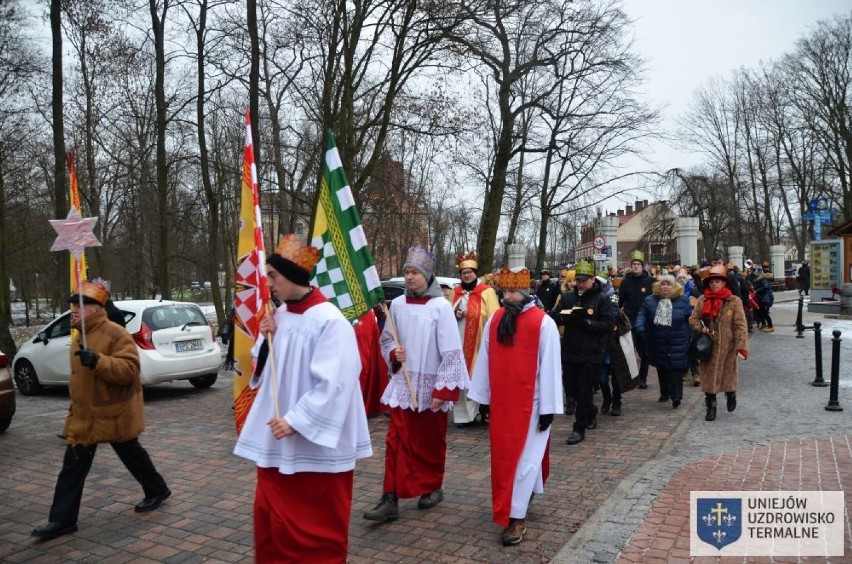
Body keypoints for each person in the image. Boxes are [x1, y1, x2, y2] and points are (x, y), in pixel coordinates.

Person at [233, 234, 371, 562]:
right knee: (273, 524)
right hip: (278, 440)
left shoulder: (330, 321)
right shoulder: (280, 315)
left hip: (312, 442)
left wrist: (296, 420)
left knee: (313, 528)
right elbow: (265, 368)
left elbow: (336, 383)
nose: (268, 284)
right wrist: (267, 339)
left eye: (273, 277)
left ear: (294, 278)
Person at [32, 280, 170, 541]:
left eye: (80, 305)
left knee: (132, 454)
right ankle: (62, 521)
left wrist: (98, 361)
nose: (73, 310)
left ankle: (157, 489)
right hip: (86, 415)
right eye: (72, 305)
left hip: (114, 412)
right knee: (72, 467)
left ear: (96, 308)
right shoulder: (80, 335)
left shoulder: (115, 333)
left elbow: (130, 370)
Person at [364, 246, 468, 522]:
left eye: (414, 273)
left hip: (431, 385)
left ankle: (431, 486)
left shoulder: (441, 307)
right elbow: (387, 339)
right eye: (407, 272)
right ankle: (390, 497)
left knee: (429, 442)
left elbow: (451, 352)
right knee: (395, 440)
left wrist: (443, 390)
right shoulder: (396, 305)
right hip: (404, 382)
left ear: (427, 275)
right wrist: (393, 354)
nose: (409, 278)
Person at [469, 266, 563, 546]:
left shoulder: (542, 323)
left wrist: (548, 407)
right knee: (506, 460)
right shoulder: (497, 319)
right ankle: (521, 499)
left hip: (532, 405)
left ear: (524, 293)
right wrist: (483, 400)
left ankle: (516, 518)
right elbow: (485, 360)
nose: (507, 296)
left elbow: (550, 367)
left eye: (513, 292)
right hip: (502, 405)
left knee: (524, 461)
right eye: (505, 291)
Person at [550, 260, 613, 445]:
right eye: (578, 280)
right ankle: (590, 410)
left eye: (584, 280)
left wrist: (588, 323)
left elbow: (608, 325)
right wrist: (564, 317)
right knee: (570, 388)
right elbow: (554, 316)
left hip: (591, 352)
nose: (581, 284)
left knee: (584, 389)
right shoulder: (568, 297)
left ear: (593, 279)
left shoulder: (601, 299)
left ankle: (579, 428)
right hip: (570, 350)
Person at [689, 265, 749, 421]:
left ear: (724, 283)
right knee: (709, 378)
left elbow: (740, 325)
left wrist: (741, 346)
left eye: (717, 281)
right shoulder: (703, 299)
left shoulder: (734, 301)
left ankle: (731, 394)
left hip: (728, 345)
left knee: (728, 374)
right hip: (708, 346)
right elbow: (693, 319)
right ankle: (711, 405)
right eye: (711, 282)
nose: (714, 284)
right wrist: (701, 328)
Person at [451, 251, 500, 427]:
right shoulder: (455, 292)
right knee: (462, 379)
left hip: (479, 344)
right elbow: (447, 315)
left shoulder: (487, 292)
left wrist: (471, 314)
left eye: (470, 272)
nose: (467, 275)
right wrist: (455, 314)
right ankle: (464, 417)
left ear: (475, 273)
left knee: (479, 377)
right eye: (464, 273)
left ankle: (484, 411)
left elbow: (494, 318)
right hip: (458, 342)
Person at [633, 275, 693, 409]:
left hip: (678, 338)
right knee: (662, 367)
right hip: (657, 338)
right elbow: (642, 315)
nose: (665, 287)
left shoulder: (682, 301)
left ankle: (676, 396)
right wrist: (640, 328)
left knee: (676, 368)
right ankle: (664, 392)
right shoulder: (650, 300)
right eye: (663, 284)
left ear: (674, 287)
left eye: (669, 284)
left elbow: (691, 318)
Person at [618, 250, 654, 389]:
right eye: (634, 264)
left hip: (645, 321)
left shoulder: (650, 281)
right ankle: (631, 378)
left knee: (644, 352)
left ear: (643, 266)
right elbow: (620, 301)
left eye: (638, 264)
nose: (636, 266)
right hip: (629, 321)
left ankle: (643, 378)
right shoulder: (626, 282)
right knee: (628, 351)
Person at [753, 266, 775, 332]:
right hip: (761, 298)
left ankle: (771, 326)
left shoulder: (763, 279)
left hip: (764, 299)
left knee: (765, 313)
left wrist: (756, 291)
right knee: (760, 312)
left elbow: (766, 287)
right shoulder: (760, 279)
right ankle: (763, 324)